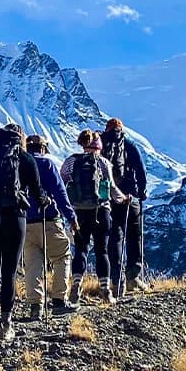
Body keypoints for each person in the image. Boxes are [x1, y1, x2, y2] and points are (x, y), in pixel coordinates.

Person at [0, 123, 43, 341]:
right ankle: (6, 322)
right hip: (15, 216)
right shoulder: (24, 158)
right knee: (10, 270)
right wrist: (44, 201)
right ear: (20, 138)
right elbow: (37, 191)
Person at [19, 135, 77, 319]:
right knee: (62, 256)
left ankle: (35, 305)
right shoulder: (47, 164)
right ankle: (59, 300)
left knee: (32, 264)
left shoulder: (19, 163)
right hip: (49, 220)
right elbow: (60, 194)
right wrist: (72, 218)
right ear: (43, 148)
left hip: (25, 222)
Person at [64, 130, 121, 305]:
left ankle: (76, 285)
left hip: (79, 212)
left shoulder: (71, 162)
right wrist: (124, 198)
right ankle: (105, 289)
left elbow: (62, 183)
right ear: (98, 147)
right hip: (101, 211)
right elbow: (111, 188)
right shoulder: (103, 163)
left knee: (81, 249)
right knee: (101, 250)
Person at [99, 118, 149, 294]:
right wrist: (142, 191)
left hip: (109, 198)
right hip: (130, 197)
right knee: (134, 236)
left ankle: (115, 279)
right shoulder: (129, 146)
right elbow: (141, 171)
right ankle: (133, 277)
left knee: (115, 236)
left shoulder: (101, 145)